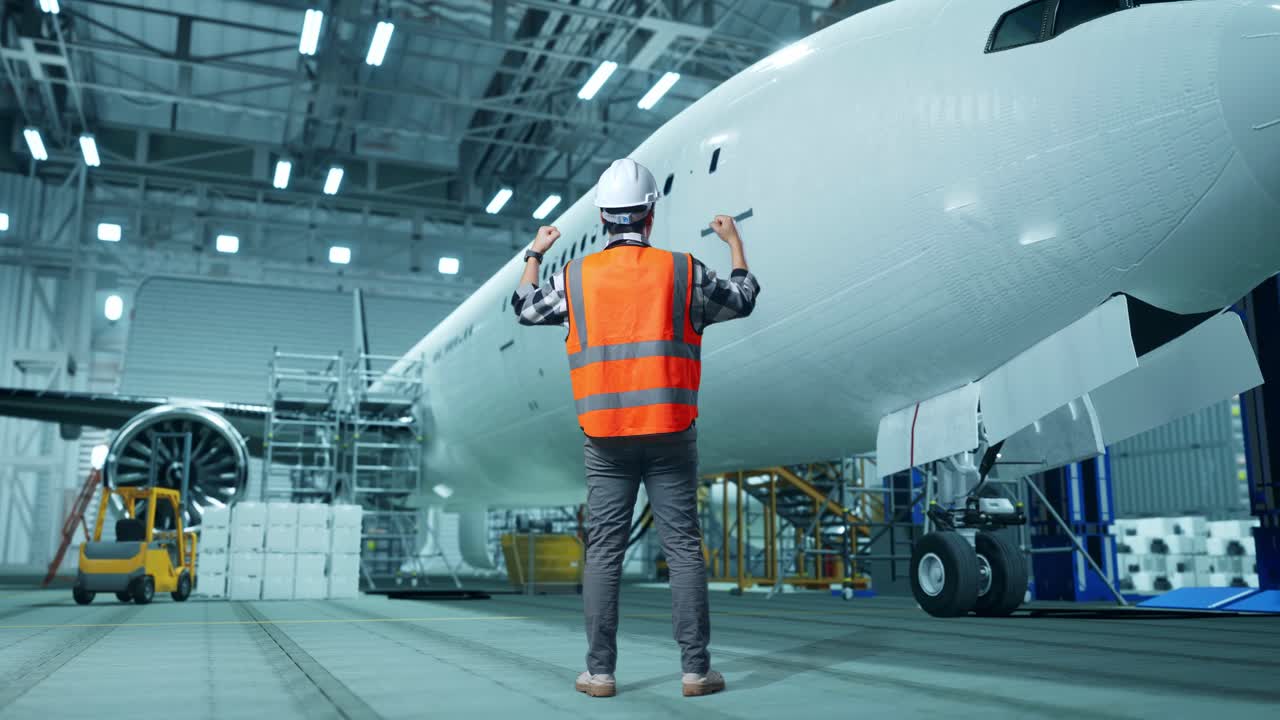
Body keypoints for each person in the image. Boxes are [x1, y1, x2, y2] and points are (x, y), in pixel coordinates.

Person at [511, 158, 760, 698]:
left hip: (604, 437)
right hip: (671, 431)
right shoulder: (683, 270)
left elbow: (525, 309)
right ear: (650, 215)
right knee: (684, 548)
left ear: (602, 218)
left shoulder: (575, 278)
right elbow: (743, 298)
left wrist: (536, 251)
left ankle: (599, 673)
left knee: (603, 550)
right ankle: (696, 671)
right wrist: (734, 243)